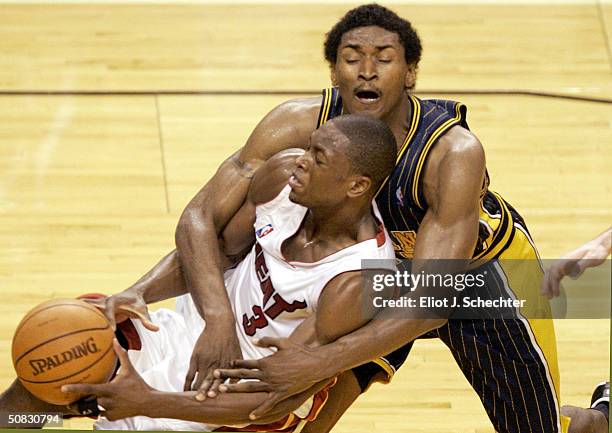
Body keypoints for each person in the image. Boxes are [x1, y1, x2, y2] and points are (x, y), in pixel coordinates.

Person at [167, 4, 605, 433]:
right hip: (381, 273)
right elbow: (202, 218)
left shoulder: (451, 153)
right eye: (352, 58)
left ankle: (599, 417)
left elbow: (433, 301)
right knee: (303, 413)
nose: (367, 71)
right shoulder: (296, 124)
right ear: (334, 72)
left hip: (482, 282)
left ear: (410, 73)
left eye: (384, 59)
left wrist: (319, 361)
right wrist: (217, 318)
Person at [0, 114, 398, 432]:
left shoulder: (356, 280)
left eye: (318, 159)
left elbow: (278, 395)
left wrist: (148, 401)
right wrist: (138, 293)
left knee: (113, 405)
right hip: (195, 329)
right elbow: (214, 249)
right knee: (53, 359)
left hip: (237, 395)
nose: (301, 160)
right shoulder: (282, 180)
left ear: (356, 185)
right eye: (308, 148)